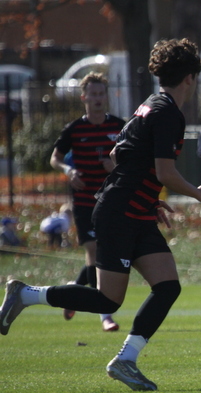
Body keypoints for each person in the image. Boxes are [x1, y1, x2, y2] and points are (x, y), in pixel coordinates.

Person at [1, 38, 201, 392]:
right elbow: (165, 172)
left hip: (134, 210)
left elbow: (118, 155)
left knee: (167, 286)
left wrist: (148, 197)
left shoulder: (149, 105)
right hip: (120, 213)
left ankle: (126, 360)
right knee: (108, 299)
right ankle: (25, 295)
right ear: (190, 78)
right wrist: (198, 193)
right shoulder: (168, 114)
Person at [50, 71, 127, 332]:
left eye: (101, 93)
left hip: (110, 201)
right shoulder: (75, 129)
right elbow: (55, 158)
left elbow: (133, 159)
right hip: (84, 201)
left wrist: (115, 165)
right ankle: (105, 315)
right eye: (92, 94)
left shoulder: (119, 126)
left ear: (107, 96)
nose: (97, 98)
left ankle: (73, 290)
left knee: (101, 256)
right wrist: (68, 170)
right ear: (84, 97)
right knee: (94, 251)